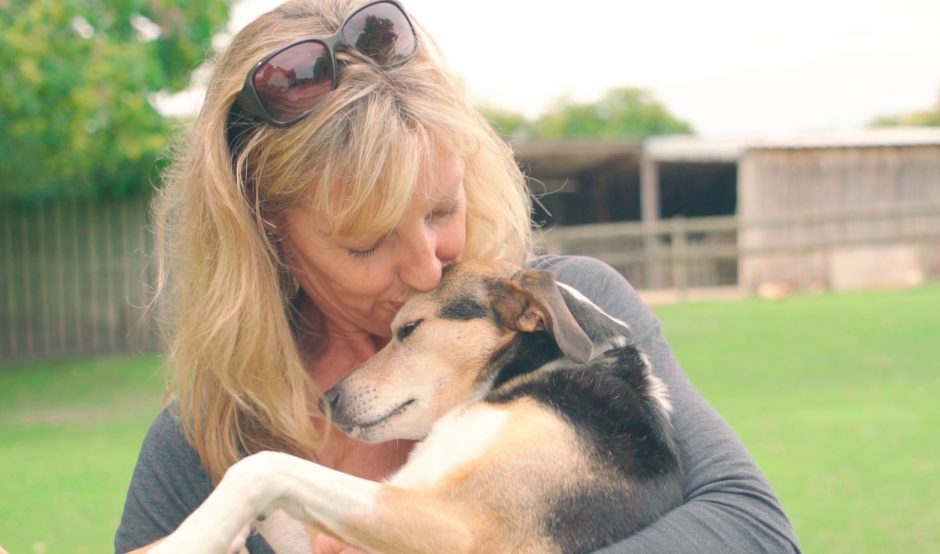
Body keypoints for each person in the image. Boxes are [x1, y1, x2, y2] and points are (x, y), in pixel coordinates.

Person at [115, 0, 801, 552]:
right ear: (268, 229)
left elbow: (755, 531)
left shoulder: (573, 314)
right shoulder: (199, 438)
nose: (426, 265)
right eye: (367, 242)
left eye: (443, 208)